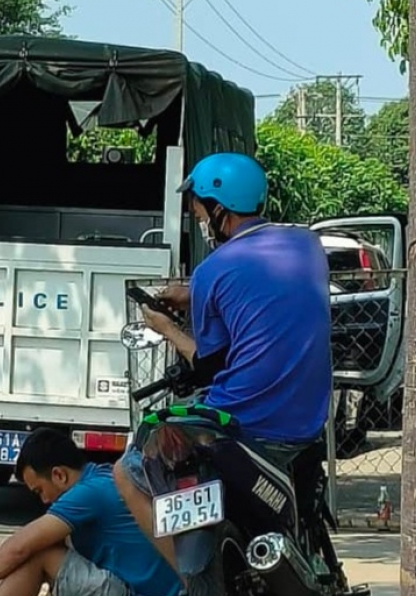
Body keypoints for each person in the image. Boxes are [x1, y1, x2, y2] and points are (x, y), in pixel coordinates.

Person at [114, 152, 333, 579]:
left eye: (198, 210)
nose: (198, 218)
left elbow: (209, 364)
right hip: (307, 422)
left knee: (127, 470)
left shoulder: (213, 269)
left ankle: (186, 577)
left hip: (243, 421)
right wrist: (194, 291)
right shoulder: (308, 245)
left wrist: (166, 328)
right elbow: (265, 294)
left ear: (219, 208)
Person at [0, 428, 182, 596]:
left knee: (39, 554)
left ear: (59, 475)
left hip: (140, 592)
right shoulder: (102, 477)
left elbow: (19, 548)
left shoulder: (88, 493)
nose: (44, 500)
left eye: (40, 491)